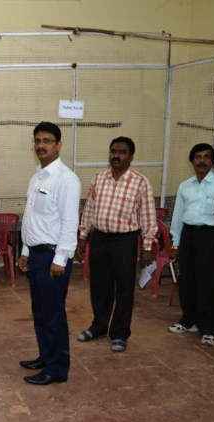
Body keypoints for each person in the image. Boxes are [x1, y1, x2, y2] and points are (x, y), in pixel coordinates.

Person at [75, 136, 157, 353]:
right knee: (99, 286)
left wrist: (147, 247)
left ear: (131, 156)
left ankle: (120, 333)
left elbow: (148, 217)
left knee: (124, 288)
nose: (116, 156)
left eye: (122, 152)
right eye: (113, 151)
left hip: (125, 241)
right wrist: (83, 236)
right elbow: (89, 209)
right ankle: (99, 326)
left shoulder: (140, 182)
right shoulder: (99, 178)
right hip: (99, 239)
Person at [18, 121, 80, 385]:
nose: (41, 145)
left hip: (52, 257)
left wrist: (60, 259)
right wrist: (25, 250)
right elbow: (31, 218)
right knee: (40, 311)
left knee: (53, 313)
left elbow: (69, 223)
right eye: (37, 141)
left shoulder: (67, 179)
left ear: (58, 145)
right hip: (36, 254)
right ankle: (46, 356)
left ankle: (57, 369)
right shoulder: (37, 177)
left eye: (47, 141)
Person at [168, 143, 214, 346]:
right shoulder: (185, 186)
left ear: (212, 161)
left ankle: (209, 328)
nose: (202, 161)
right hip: (188, 235)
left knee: (209, 282)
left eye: (206, 157)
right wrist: (176, 242)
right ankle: (188, 320)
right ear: (192, 161)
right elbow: (178, 216)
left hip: (212, 236)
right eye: (198, 157)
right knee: (187, 279)